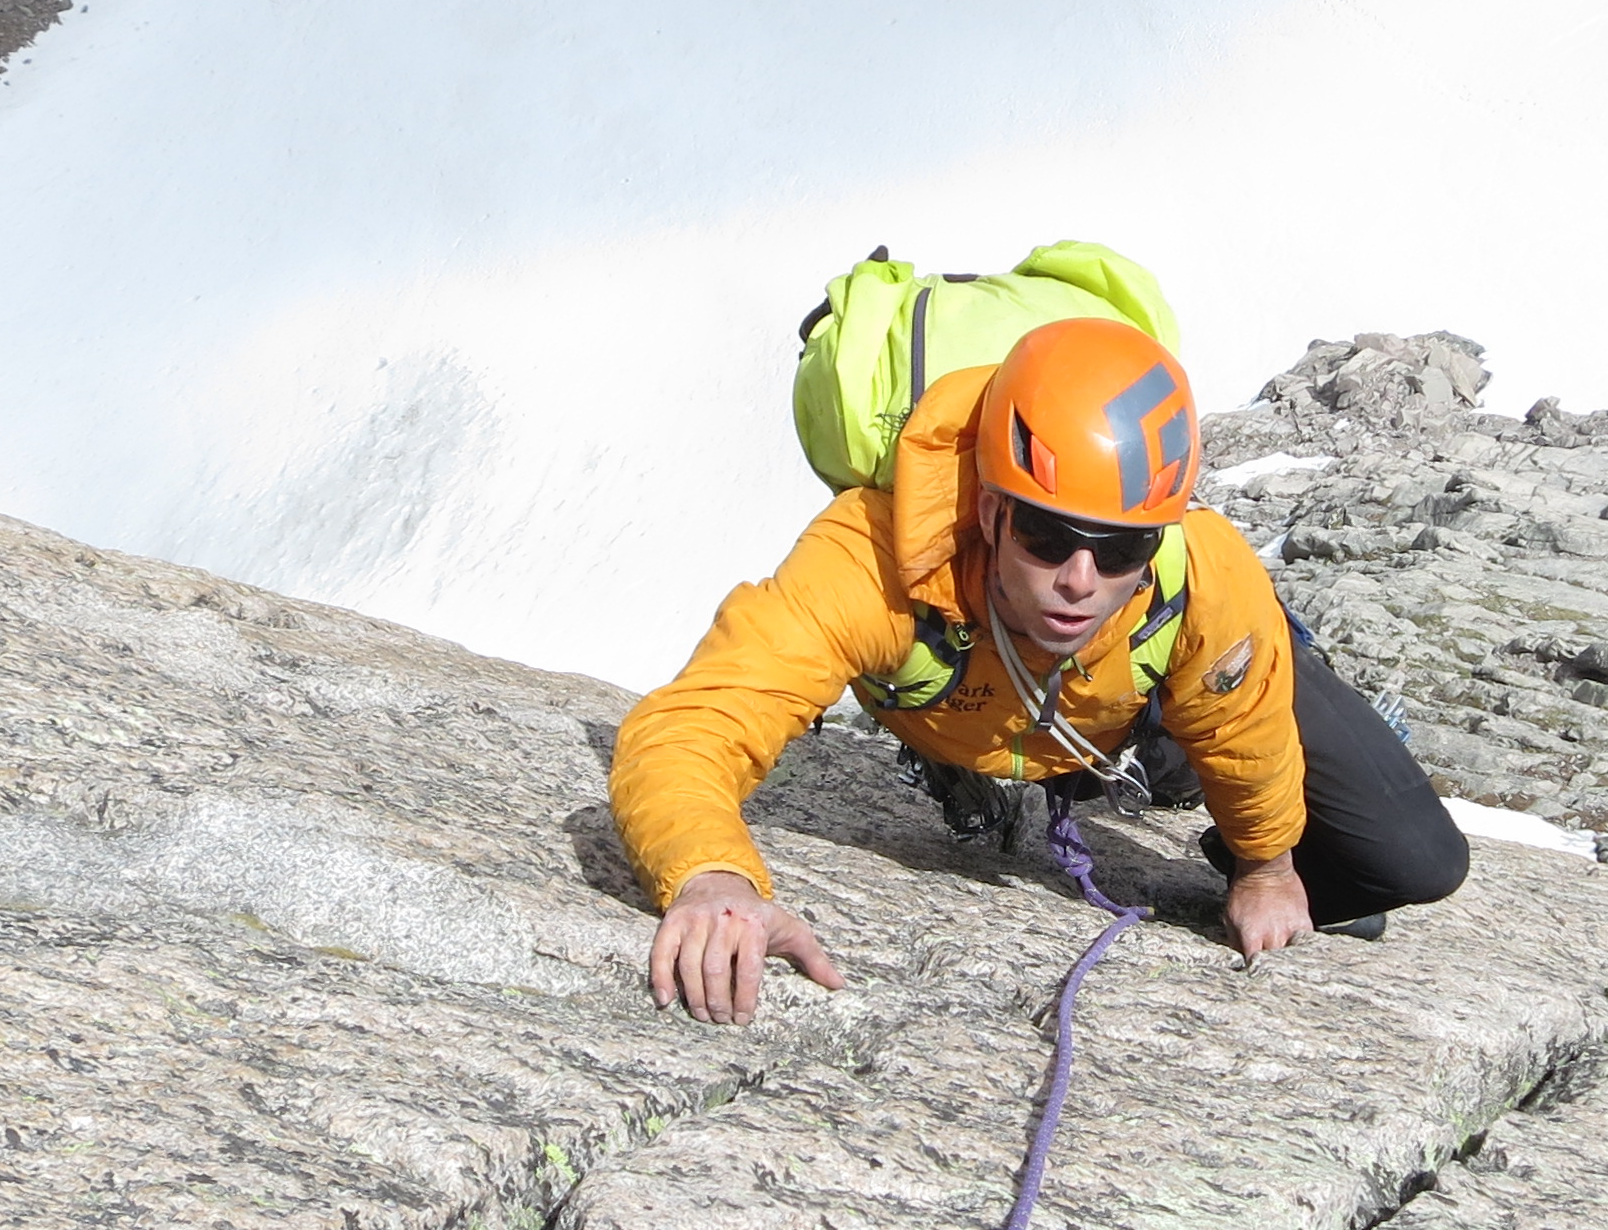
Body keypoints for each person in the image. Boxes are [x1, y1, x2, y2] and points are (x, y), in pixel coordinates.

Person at [611, 315, 1470, 1021]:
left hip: (1137, 715)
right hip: (1004, 704)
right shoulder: (872, 562)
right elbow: (695, 723)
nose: (1079, 580)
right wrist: (711, 875)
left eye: (1122, 546)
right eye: (1046, 535)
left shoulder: (1202, 574)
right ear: (988, 508)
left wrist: (1266, 867)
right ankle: (961, 758)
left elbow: (1243, 730)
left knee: (1414, 863)